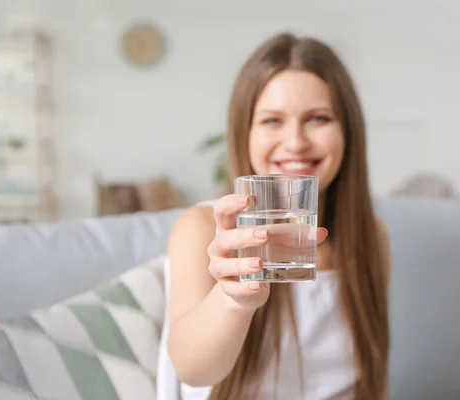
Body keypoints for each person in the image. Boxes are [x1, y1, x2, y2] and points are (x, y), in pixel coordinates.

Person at [161, 31, 391, 400]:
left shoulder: (370, 236)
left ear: (348, 131)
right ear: (245, 132)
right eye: (272, 120)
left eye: (318, 118)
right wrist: (234, 299)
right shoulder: (201, 229)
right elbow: (192, 370)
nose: (296, 141)